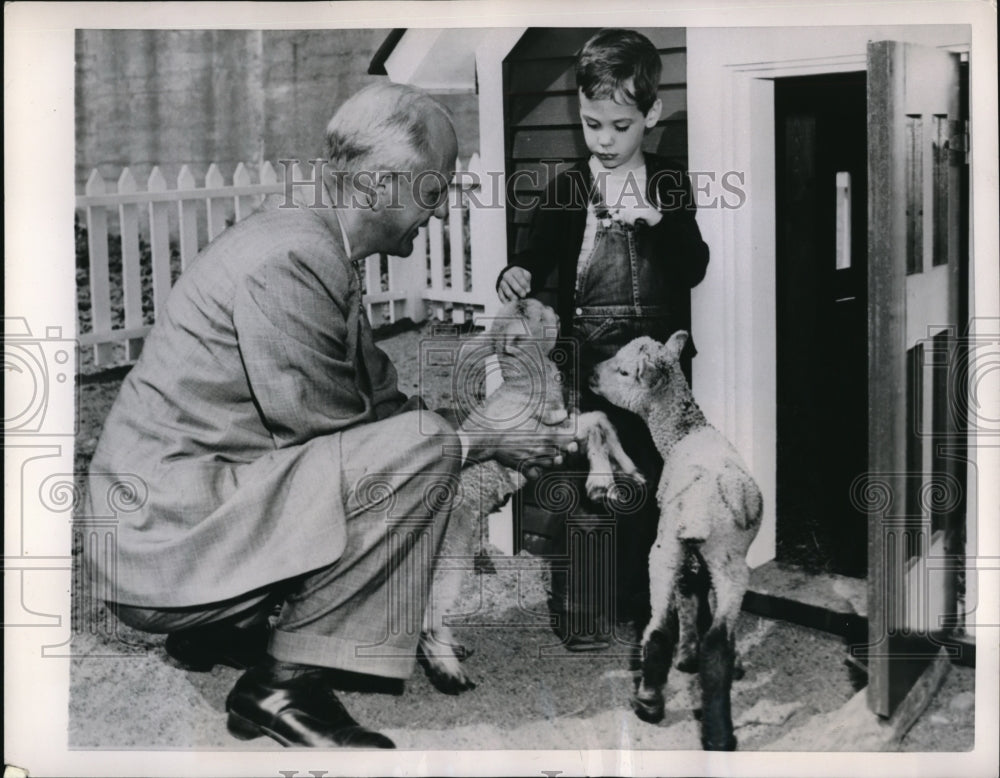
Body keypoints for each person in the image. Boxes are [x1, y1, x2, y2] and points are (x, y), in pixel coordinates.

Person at [83, 82, 570, 749]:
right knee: (427, 449)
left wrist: (478, 430)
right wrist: (481, 437)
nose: (439, 209)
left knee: (428, 439)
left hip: (176, 519)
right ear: (377, 187)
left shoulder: (316, 238)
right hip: (162, 549)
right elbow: (348, 444)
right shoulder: (293, 256)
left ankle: (217, 631)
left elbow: (380, 401)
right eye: (433, 191)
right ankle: (281, 684)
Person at [496, 29, 710, 650]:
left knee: (648, 488)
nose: (606, 141)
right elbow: (537, 254)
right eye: (593, 125)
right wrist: (520, 272)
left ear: (651, 114)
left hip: (654, 378)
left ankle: (639, 604)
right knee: (591, 493)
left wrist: (659, 223)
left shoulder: (668, 184)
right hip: (592, 366)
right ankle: (581, 609)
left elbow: (693, 266)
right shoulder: (569, 186)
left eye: (620, 126)